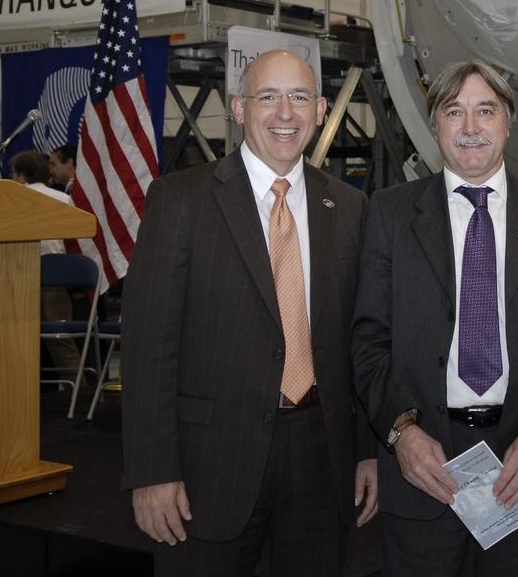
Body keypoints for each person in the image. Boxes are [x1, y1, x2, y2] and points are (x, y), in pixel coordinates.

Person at [122, 50, 376, 577]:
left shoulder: (349, 208)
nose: (285, 112)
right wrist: (151, 472)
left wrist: (368, 451)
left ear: (322, 109)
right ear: (238, 108)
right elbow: (149, 347)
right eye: (268, 96)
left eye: (300, 97)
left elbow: (361, 341)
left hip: (321, 459)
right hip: (208, 465)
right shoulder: (181, 200)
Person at [352, 59, 518, 577]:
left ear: (509, 123)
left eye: (485, 110)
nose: (470, 127)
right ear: (435, 124)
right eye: (453, 111)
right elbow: (368, 339)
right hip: (423, 465)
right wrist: (402, 432)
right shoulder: (389, 214)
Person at [9, 150, 82, 379]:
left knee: (17, 340)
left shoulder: (13, 199)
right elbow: (73, 237)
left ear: (21, 175)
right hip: (56, 278)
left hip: (20, 276)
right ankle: (79, 392)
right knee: (62, 342)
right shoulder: (61, 198)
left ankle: (19, 392)